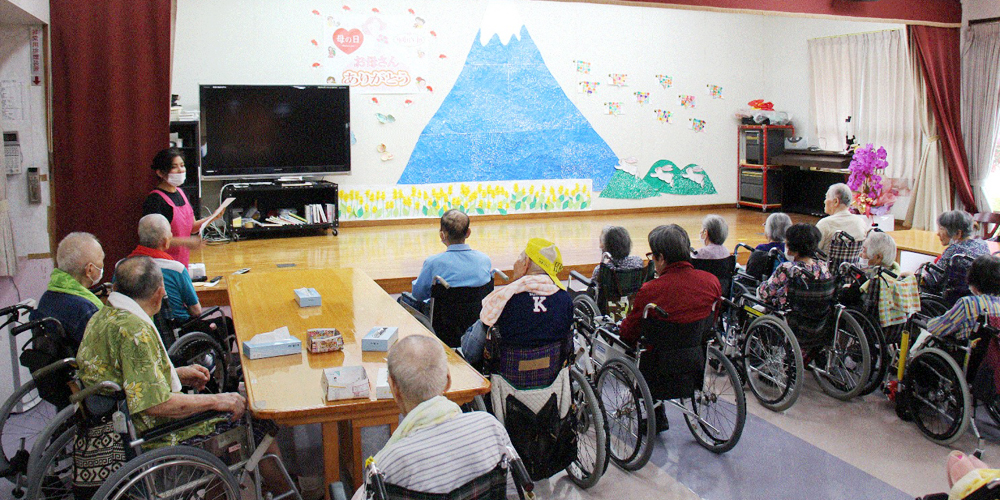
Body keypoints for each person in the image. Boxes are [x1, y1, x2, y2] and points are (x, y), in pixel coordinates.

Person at [353, 336, 520, 499]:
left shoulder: (389, 464)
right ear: (448, 381)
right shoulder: (491, 428)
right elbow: (515, 492)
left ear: (394, 389)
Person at [460, 238, 573, 365]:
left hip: (509, 374)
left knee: (481, 325)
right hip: (550, 373)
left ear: (526, 263)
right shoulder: (565, 299)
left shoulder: (505, 299)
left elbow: (472, 352)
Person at [619, 224, 721, 345]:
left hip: (657, 360)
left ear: (661, 258)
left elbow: (628, 334)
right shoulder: (711, 282)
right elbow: (712, 320)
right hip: (696, 356)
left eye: (652, 256)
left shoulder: (650, 291)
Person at [401, 209, 492, 314]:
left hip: (443, 323)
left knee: (403, 300)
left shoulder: (433, 263)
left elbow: (418, 295)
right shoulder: (484, 260)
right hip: (475, 318)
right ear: (468, 233)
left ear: (442, 235)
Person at [32, 232, 105, 347]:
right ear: (89, 270)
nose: (102, 265)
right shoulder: (86, 309)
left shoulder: (47, 297)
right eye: (102, 260)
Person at [128, 214, 203, 322]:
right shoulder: (176, 269)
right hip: (177, 329)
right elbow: (196, 311)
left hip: (136, 326)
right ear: (165, 242)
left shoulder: (122, 267)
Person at [142, 148, 209, 267]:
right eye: (174, 167)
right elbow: (155, 241)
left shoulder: (181, 193)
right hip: (163, 265)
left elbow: (192, 228)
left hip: (182, 263)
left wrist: (213, 217)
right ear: (160, 172)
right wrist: (186, 242)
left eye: (182, 165)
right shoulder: (155, 200)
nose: (180, 170)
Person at [926, 255, 1000, 341]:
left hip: (967, 351)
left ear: (973, 278)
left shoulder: (969, 303)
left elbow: (937, 329)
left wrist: (928, 322)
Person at [758, 224, 832, 308]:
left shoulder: (787, 268)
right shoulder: (822, 266)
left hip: (788, 314)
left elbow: (764, 293)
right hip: (817, 312)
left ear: (794, 248)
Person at [859, 231, 920, 328]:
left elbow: (849, 297)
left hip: (867, 325)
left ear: (878, 257)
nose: (860, 255)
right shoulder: (895, 275)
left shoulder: (872, 281)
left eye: (864, 251)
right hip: (895, 329)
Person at [816, 183, 869, 255]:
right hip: (851, 266)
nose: (824, 201)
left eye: (826, 197)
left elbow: (812, 252)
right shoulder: (861, 222)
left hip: (827, 265)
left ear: (836, 201)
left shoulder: (824, 224)